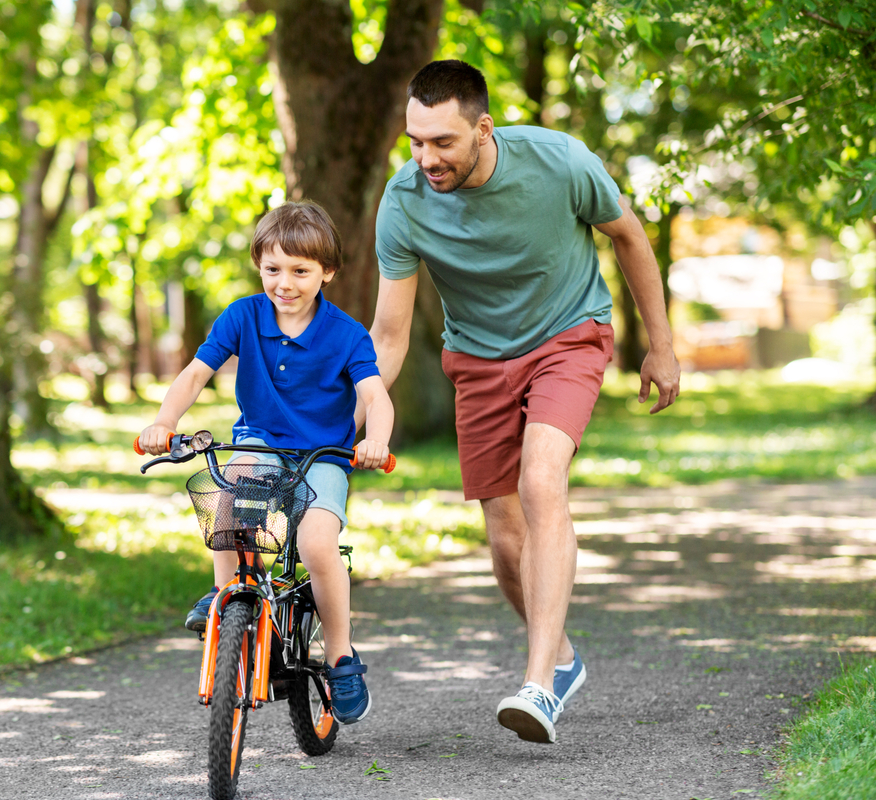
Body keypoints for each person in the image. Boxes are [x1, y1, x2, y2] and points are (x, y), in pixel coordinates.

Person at [367, 60, 681, 744]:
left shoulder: (560, 161)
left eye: (443, 142)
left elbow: (627, 236)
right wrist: (350, 412)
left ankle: (538, 685)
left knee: (543, 479)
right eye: (415, 141)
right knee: (506, 541)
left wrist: (660, 343)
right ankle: (563, 658)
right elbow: (388, 337)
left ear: (483, 128)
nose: (427, 158)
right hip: (477, 360)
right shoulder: (404, 201)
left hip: (568, 338)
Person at [138, 200, 394, 725]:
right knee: (227, 501)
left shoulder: (346, 334)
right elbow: (193, 374)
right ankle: (224, 592)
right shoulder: (242, 316)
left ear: (327, 272)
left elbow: (377, 395)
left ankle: (342, 654)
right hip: (258, 443)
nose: (285, 282)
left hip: (321, 454)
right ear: (259, 266)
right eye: (272, 269)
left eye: (301, 271)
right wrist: (163, 422)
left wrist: (376, 440)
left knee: (317, 543)